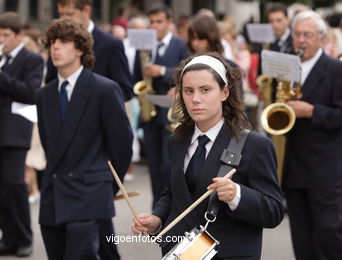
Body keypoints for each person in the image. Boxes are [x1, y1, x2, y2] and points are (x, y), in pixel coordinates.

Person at [132, 52, 284, 260]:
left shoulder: (255, 145)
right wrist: (157, 218)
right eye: (188, 91)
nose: (195, 99)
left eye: (205, 90)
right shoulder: (176, 140)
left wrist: (237, 194)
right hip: (181, 253)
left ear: (224, 92)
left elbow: (274, 211)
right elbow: (173, 193)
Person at [36, 17, 133, 260]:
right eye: (52, 42)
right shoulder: (44, 95)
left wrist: (103, 187)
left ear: (80, 48)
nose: (55, 47)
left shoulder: (104, 89)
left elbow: (121, 146)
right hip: (53, 197)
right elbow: (51, 146)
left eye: (64, 41)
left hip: (89, 194)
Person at [0, 12, 44, 257]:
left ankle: (25, 238)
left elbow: (30, 92)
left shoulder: (32, 60)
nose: (1, 40)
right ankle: (7, 237)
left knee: (14, 185)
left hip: (14, 131)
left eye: (6, 35)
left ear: (20, 35)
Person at [282, 10, 342, 260]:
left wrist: (312, 111)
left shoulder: (336, 68)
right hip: (294, 165)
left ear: (321, 38)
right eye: (297, 34)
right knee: (301, 236)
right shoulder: (285, 66)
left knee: (329, 234)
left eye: (308, 35)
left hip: (326, 169)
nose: (302, 40)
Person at [137, 3, 188, 208]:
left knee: (169, 165)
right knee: (154, 166)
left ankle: (171, 209)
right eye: (152, 22)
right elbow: (136, 76)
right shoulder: (146, 46)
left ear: (169, 22)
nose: (154, 25)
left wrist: (161, 71)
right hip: (150, 113)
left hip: (172, 115)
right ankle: (156, 210)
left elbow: (186, 71)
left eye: (159, 21)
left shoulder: (180, 44)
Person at [46, 0, 133, 103]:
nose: (64, 19)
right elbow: (51, 82)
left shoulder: (110, 44)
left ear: (86, 11)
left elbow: (124, 89)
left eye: (70, 14)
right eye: (61, 14)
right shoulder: (56, 44)